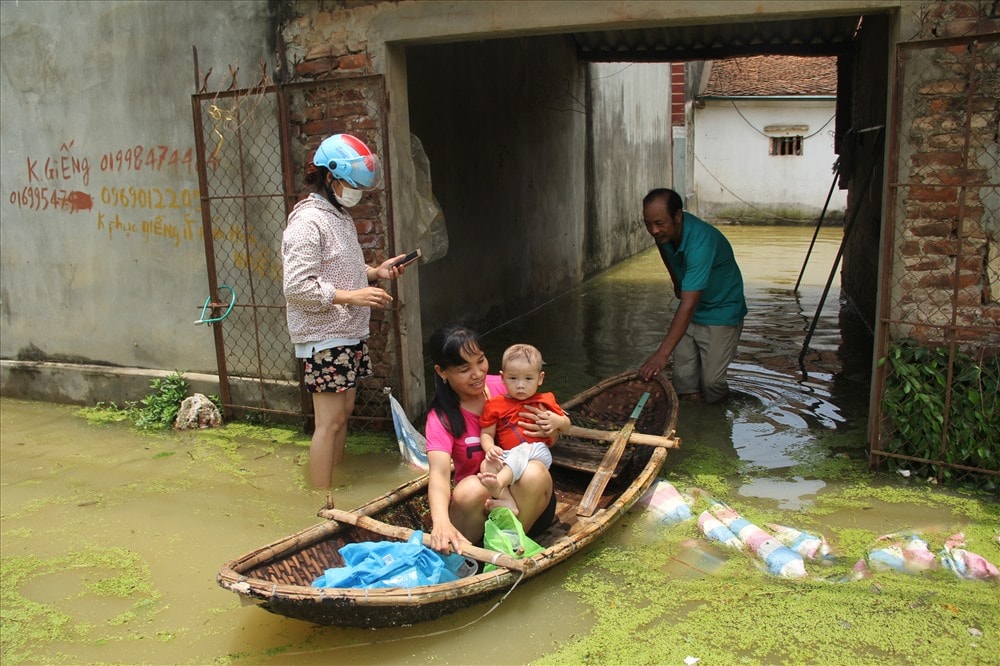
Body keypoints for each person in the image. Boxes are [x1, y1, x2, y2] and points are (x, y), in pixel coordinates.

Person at [282, 133, 409, 489]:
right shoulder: (308, 221)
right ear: (327, 175)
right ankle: (320, 501)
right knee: (330, 421)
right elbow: (296, 286)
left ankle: (333, 483)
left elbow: (338, 269)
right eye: (350, 184)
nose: (355, 192)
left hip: (345, 333)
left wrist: (376, 272)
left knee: (344, 414)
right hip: (324, 335)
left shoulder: (337, 216)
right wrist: (353, 297)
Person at [424, 325, 561, 556]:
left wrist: (554, 428)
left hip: (527, 506)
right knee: (469, 489)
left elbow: (549, 437)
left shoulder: (509, 385)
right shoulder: (441, 418)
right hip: (478, 508)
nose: (477, 373)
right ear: (442, 371)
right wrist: (440, 522)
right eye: (464, 368)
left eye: (481, 361)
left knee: (534, 472)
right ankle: (465, 555)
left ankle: (510, 549)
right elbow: (438, 474)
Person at [637, 188, 747, 403]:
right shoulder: (664, 234)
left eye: (659, 223)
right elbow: (663, 249)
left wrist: (661, 355)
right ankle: (692, 422)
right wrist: (677, 282)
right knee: (684, 381)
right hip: (693, 308)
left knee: (712, 384)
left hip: (721, 310)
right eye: (648, 223)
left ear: (678, 217)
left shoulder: (700, 243)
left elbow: (688, 304)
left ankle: (718, 421)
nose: (653, 230)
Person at [477, 343, 570, 515]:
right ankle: (507, 499)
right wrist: (489, 448)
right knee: (486, 464)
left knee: (522, 451)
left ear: (540, 378)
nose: (520, 385)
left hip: (536, 453)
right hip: (509, 455)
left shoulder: (545, 400)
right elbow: (486, 433)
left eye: (528, 379)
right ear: (502, 378)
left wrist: (558, 421)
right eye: (513, 378)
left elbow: (567, 425)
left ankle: (499, 483)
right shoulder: (494, 405)